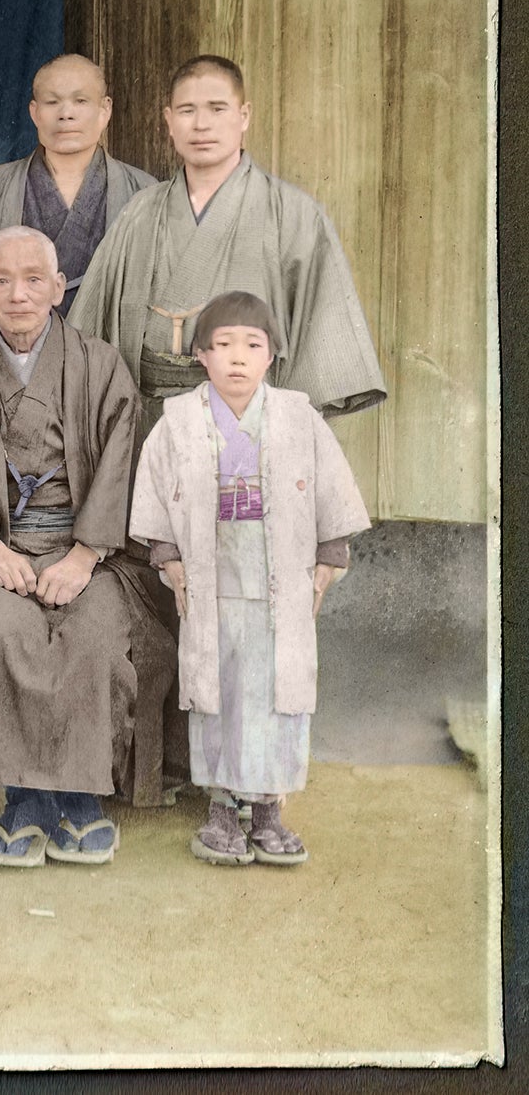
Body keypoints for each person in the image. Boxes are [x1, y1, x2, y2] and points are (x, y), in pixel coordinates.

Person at [0, 227, 179, 867]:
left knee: (95, 637)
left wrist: (85, 555)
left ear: (59, 288)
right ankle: (24, 801)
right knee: (0, 633)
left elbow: (121, 460)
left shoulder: (100, 365)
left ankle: (82, 801)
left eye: (34, 280)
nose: (19, 295)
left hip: (89, 548)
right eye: (2, 281)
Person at [131, 291, 369, 866]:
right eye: (223, 345)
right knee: (219, 690)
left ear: (272, 355)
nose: (237, 357)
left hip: (279, 578)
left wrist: (329, 554)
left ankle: (267, 813)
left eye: (252, 345)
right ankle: (220, 808)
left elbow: (333, 491)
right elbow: (155, 493)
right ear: (200, 355)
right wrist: (168, 555)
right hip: (210, 580)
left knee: (276, 692)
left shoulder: (299, 417)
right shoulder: (178, 421)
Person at [69, 55, 386, 433]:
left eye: (217, 109)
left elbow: (321, 343)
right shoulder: (140, 212)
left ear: (244, 116)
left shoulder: (293, 214)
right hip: (151, 430)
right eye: (187, 111)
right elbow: (87, 334)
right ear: (169, 121)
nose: (201, 124)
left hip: (250, 428)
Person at [0, 54, 155, 316]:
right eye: (52, 102)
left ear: (104, 110)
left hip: (106, 342)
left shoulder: (143, 192)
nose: (66, 114)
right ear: (34, 112)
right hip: (15, 338)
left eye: (80, 101)